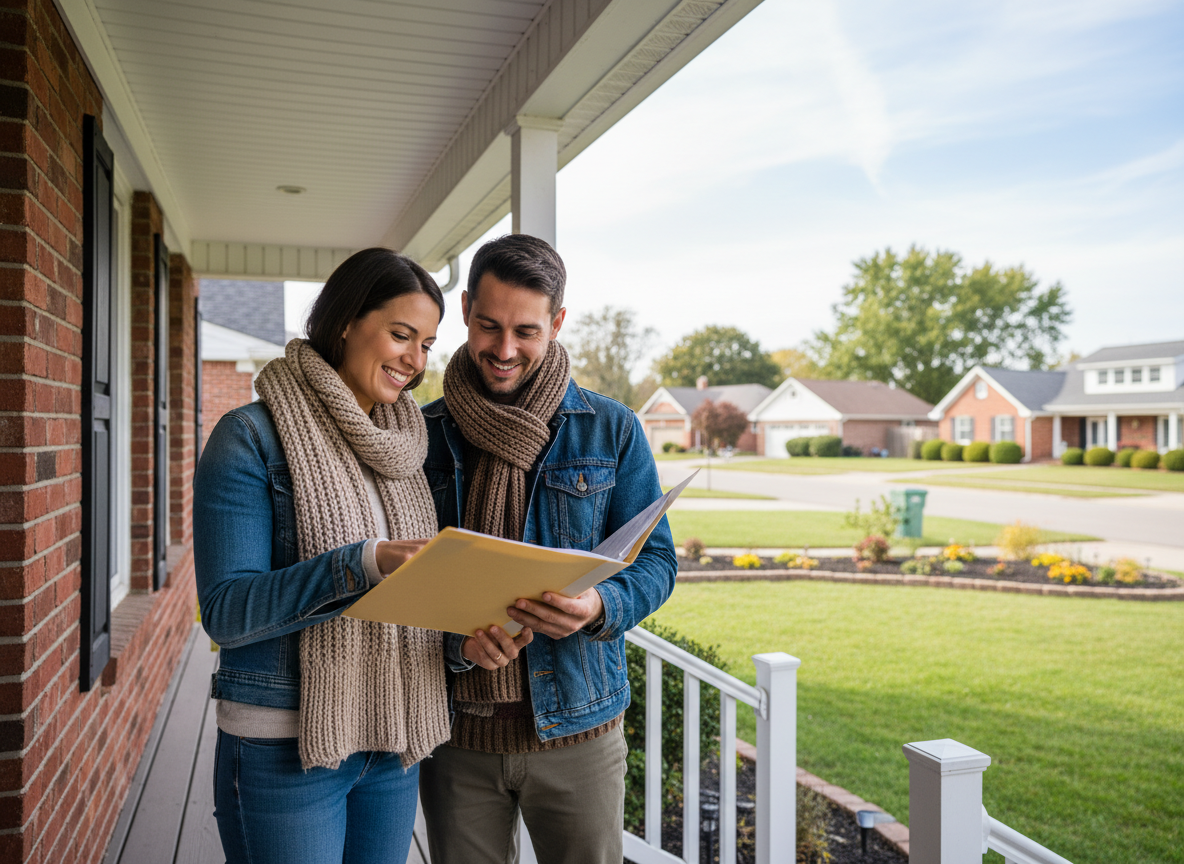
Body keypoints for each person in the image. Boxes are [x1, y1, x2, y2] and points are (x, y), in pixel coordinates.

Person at [193, 248, 530, 864]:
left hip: (391, 740)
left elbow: (408, 608)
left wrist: (465, 645)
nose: (415, 361)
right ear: (346, 321)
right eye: (401, 335)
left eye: (427, 344)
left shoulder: (405, 444)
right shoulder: (250, 437)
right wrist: (364, 563)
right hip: (284, 745)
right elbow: (226, 612)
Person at [418, 234, 679, 864]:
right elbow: (408, 585)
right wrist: (456, 643)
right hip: (454, 736)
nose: (504, 350)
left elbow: (657, 562)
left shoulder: (611, 429)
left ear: (557, 323)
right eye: (489, 325)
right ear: (465, 309)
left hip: (579, 733)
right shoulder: (420, 435)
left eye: (526, 331)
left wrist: (598, 606)